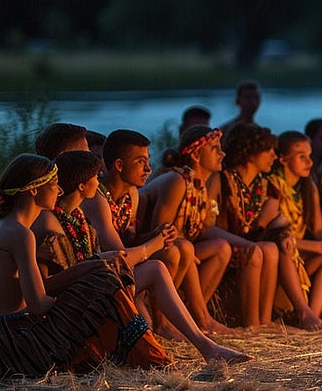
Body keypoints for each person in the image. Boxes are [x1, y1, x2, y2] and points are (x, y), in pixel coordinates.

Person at [0, 154, 247, 378]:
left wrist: (87, 268)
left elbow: (30, 292)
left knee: (99, 275)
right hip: (12, 346)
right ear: (33, 190)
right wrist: (86, 293)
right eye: (53, 183)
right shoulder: (22, 234)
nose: (58, 188)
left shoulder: (3, 228)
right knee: (103, 283)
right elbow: (38, 306)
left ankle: (180, 350)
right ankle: (154, 358)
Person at [84, 130, 230, 336]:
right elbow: (119, 256)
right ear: (119, 165)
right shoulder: (98, 198)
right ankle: (164, 323)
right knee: (171, 254)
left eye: (148, 161)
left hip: (129, 262)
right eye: (140, 162)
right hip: (104, 274)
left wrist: (159, 235)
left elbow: (132, 238)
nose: (149, 169)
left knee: (182, 248)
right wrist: (157, 240)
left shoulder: (131, 195)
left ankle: (170, 321)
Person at [138, 126, 249, 328]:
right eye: (215, 148)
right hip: (150, 249)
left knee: (222, 248)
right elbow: (160, 233)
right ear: (197, 154)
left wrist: (245, 244)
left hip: (180, 248)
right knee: (183, 250)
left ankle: (192, 316)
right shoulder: (177, 181)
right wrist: (185, 246)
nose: (222, 153)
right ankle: (177, 321)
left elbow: (201, 228)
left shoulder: (199, 186)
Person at [217, 123, 321, 330]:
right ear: (249, 152)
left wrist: (284, 235)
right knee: (258, 250)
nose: (273, 156)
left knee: (272, 248)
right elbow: (212, 225)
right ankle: (252, 323)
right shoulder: (223, 181)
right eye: (268, 151)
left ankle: (264, 321)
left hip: (251, 245)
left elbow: (274, 224)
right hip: (227, 247)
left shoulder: (267, 188)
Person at [264, 131, 322, 322]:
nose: (309, 162)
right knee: (288, 249)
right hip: (282, 257)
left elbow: (319, 228)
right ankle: (304, 313)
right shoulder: (271, 187)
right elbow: (273, 238)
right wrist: (320, 247)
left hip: (301, 256)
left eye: (310, 156)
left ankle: (313, 313)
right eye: (301, 157)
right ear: (283, 159)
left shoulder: (308, 186)